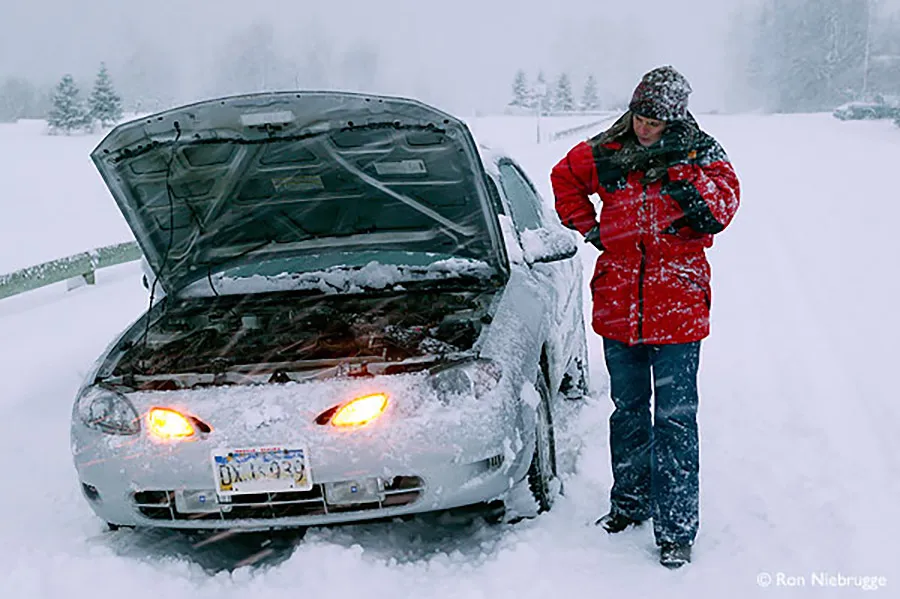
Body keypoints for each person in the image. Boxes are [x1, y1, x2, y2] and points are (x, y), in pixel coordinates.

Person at [550, 65, 740, 569]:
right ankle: (629, 504)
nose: (644, 127)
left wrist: (679, 178)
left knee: (675, 419)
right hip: (618, 306)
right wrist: (588, 229)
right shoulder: (606, 150)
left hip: (677, 306)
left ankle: (676, 528)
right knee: (627, 411)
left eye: (655, 120)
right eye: (640, 115)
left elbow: (723, 206)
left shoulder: (702, 152)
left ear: (674, 119)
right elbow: (564, 177)